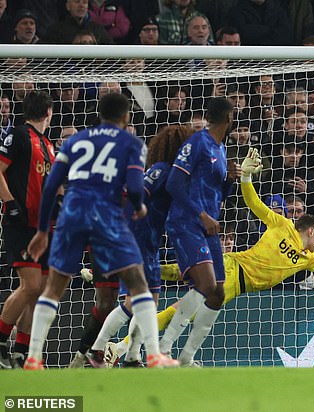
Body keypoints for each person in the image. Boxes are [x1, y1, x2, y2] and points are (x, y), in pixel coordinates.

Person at [110, 148, 314, 365]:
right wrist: (246, 177)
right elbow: (254, 203)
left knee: (179, 279)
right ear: (310, 231)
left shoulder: (310, 259)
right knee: (183, 312)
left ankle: (132, 277)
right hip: (233, 273)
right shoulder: (282, 223)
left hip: (232, 270)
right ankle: (124, 348)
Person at [24, 93, 178, 370]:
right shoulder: (131, 144)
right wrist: (139, 207)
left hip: (72, 215)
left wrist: (42, 230)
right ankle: (153, 354)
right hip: (106, 217)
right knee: (139, 285)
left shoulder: (74, 141)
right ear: (126, 116)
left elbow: (50, 187)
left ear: (99, 114)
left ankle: (33, 358)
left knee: (54, 288)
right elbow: (133, 187)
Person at [70, 125, 193, 368]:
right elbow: (136, 194)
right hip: (138, 239)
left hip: (149, 242)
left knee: (150, 302)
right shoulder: (160, 170)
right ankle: (97, 349)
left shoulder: (175, 175)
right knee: (135, 301)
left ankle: (132, 357)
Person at [157, 97, 236, 366]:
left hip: (208, 226)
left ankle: (187, 357)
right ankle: (163, 349)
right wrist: (201, 215)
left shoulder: (221, 148)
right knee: (205, 286)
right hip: (187, 222)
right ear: (229, 118)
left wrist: (230, 180)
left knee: (217, 293)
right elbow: (174, 184)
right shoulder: (197, 142)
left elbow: (218, 192)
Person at [0, 91, 56, 369]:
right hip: (21, 224)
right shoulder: (19, 135)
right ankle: (0, 342)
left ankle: (22, 351)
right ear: (49, 111)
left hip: (44, 228)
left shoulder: (49, 144)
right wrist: (9, 203)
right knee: (31, 285)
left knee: (41, 291)